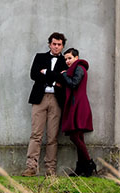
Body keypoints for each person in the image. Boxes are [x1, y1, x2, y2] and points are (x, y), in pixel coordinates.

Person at [23, 32, 67, 177]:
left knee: (53, 136)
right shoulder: (40, 57)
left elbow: (64, 78)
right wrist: (55, 78)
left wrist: (46, 72)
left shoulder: (65, 61)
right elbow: (34, 75)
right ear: (49, 44)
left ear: (62, 46)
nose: (56, 47)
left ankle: (50, 169)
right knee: (36, 134)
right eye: (54, 44)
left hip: (56, 100)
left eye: (59, 44)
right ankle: (31, 167)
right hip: (39, 98)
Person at [58, 48, 95, 177]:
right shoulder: (75, 69)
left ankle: (90, 163)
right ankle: (81, 167)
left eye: (69, 58)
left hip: (79, 105)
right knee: (79, 137)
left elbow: (74, 84)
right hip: (76, 104)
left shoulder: (79, 68)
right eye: (66, 59)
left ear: (76, 58)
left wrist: (64, 75)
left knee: (75, 136)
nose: (67, 61)